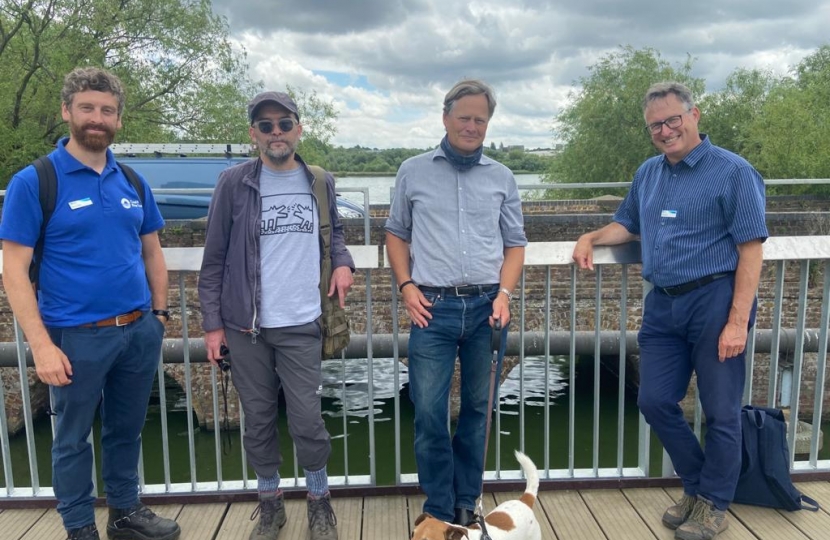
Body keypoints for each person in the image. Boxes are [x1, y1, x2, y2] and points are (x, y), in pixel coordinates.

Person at [572, 82, 767, 540]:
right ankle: (701, 488)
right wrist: (591, 238)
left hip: (715, 300)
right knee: (655, 400)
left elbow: (751, 250)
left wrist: (737, 321)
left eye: (672, 120)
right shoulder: (649, 173)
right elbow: (628, 223)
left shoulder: (734, 172)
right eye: (655, 125)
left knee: (720, 411)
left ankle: (714, 504)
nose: (664, 131)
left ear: (694, 115)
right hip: (662, 303)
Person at [0, 68, 179, 540]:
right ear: (67, 112)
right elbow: (14, 271)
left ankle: (124, 512)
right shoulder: (35, 181)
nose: (96, 118)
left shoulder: (133, 181)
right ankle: (80, 528)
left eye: (106, 110)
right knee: (72, 439)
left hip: (137, 329)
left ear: (118, 119)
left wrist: (159, 317)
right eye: (87, 108)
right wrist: (40, 346)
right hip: (75, 335)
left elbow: (152, 252)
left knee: (125, 429)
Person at [198, 91, 354, 540]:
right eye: (265, 126)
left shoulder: (319, 180)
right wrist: (212, 325)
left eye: (284, 123)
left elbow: (334, 232)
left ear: (299, 128)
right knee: (260, 417)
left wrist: (343, 261)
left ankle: (319, 501)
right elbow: (214, 260)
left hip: (303, 321)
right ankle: (270, 504)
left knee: (307, 417)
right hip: (245, 326)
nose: (276, 133)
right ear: (254, 135)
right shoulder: (233, 183)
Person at [385, 79, 527, 525]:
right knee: (429, 412)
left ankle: (467, 499)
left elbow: (516, 244)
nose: (471, 126)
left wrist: (504, 295)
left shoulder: (502, 176)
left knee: (477, 412)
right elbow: (395, 233)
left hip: (487, 308)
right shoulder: (413, 170)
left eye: (479, 119)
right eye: (463, 117)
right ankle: (438, 505)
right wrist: (407, 286)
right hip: (432, 309)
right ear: (445, 118)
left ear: (488, 122)